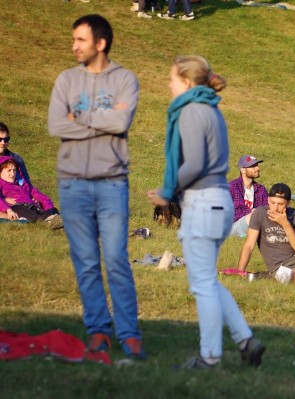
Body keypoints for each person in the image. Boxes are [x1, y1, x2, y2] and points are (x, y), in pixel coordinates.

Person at [147, 55, 264, 369]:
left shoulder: (191, 111)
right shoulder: (211, 108)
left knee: (201, 285)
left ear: (186, 82)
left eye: (172, 78)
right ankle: (245, 340)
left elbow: (195, 163)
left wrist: (166, 192)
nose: (169, 84)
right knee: (208, 280)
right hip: (218, 202)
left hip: (203, 203)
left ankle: (209, 357)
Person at [47, 14, 145, 359]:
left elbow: (120, 121)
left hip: (111, 184)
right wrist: (99, 123)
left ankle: (130, 336)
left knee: (117, 258)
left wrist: (80, 119)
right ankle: (98, 333)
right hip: (72, 184)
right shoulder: (65, 80)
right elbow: (56, 126)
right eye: (73, 39)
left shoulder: (124, 80)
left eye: (80, 40)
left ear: (100, 43)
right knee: (86, 262)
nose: (73, 46)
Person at [0, 157, 63, 228]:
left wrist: (49, 207)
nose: (12, 173)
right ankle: (49, 221)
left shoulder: (21, 183)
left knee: (53, 210)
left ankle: (51, 218)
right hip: (16, 207)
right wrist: (8, 209)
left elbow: (38, 194)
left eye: (14, 170)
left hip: (32, 207)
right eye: (9, 171)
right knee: (31, 215)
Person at [229, 154, 268, 237]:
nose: (257, 168)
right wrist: (252, 212)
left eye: (257, 165)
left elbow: (267, 209)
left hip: (256, 223)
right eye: (253, 166)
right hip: (233, 226)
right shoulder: (232, 187)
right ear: (243, 170)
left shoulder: (261, 189)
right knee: (255, 215)